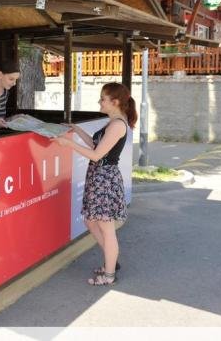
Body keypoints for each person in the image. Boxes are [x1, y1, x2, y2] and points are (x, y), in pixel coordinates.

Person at [53, 82, 137, 286]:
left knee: (106, 229)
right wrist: (76, 130)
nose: (99, 102)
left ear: (114, 102)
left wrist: (68, 143)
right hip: (99, 177)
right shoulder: (114, 121)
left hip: (104, 179)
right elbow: (95, 144)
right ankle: (111, 260)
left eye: (102, 99)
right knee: (91, 221)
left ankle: (109, 274)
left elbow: (97, 154)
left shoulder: (117, 125)